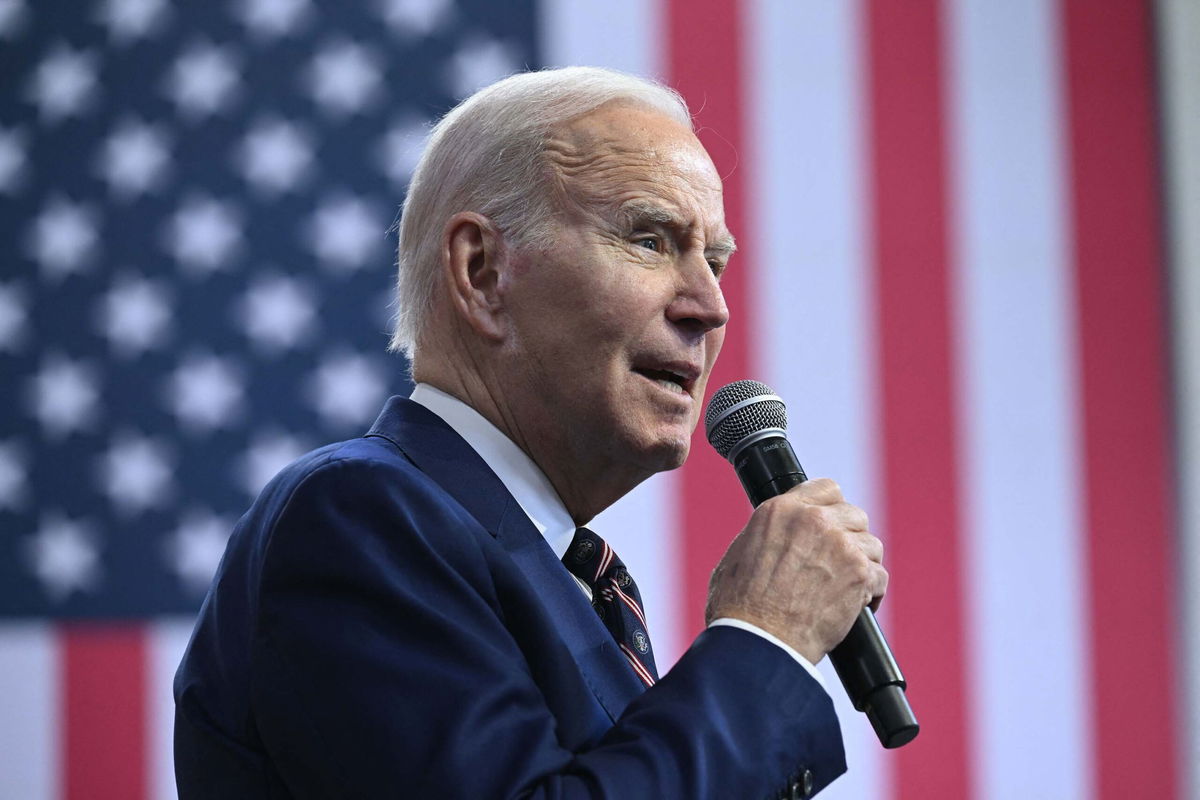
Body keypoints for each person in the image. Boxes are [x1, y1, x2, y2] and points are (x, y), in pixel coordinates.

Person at [173, 66, 887, 799]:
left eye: (713, 261)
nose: (710, 308)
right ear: (481, 272)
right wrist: (762, 638)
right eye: (648, 239)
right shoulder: (360, 516)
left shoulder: (568, 578)